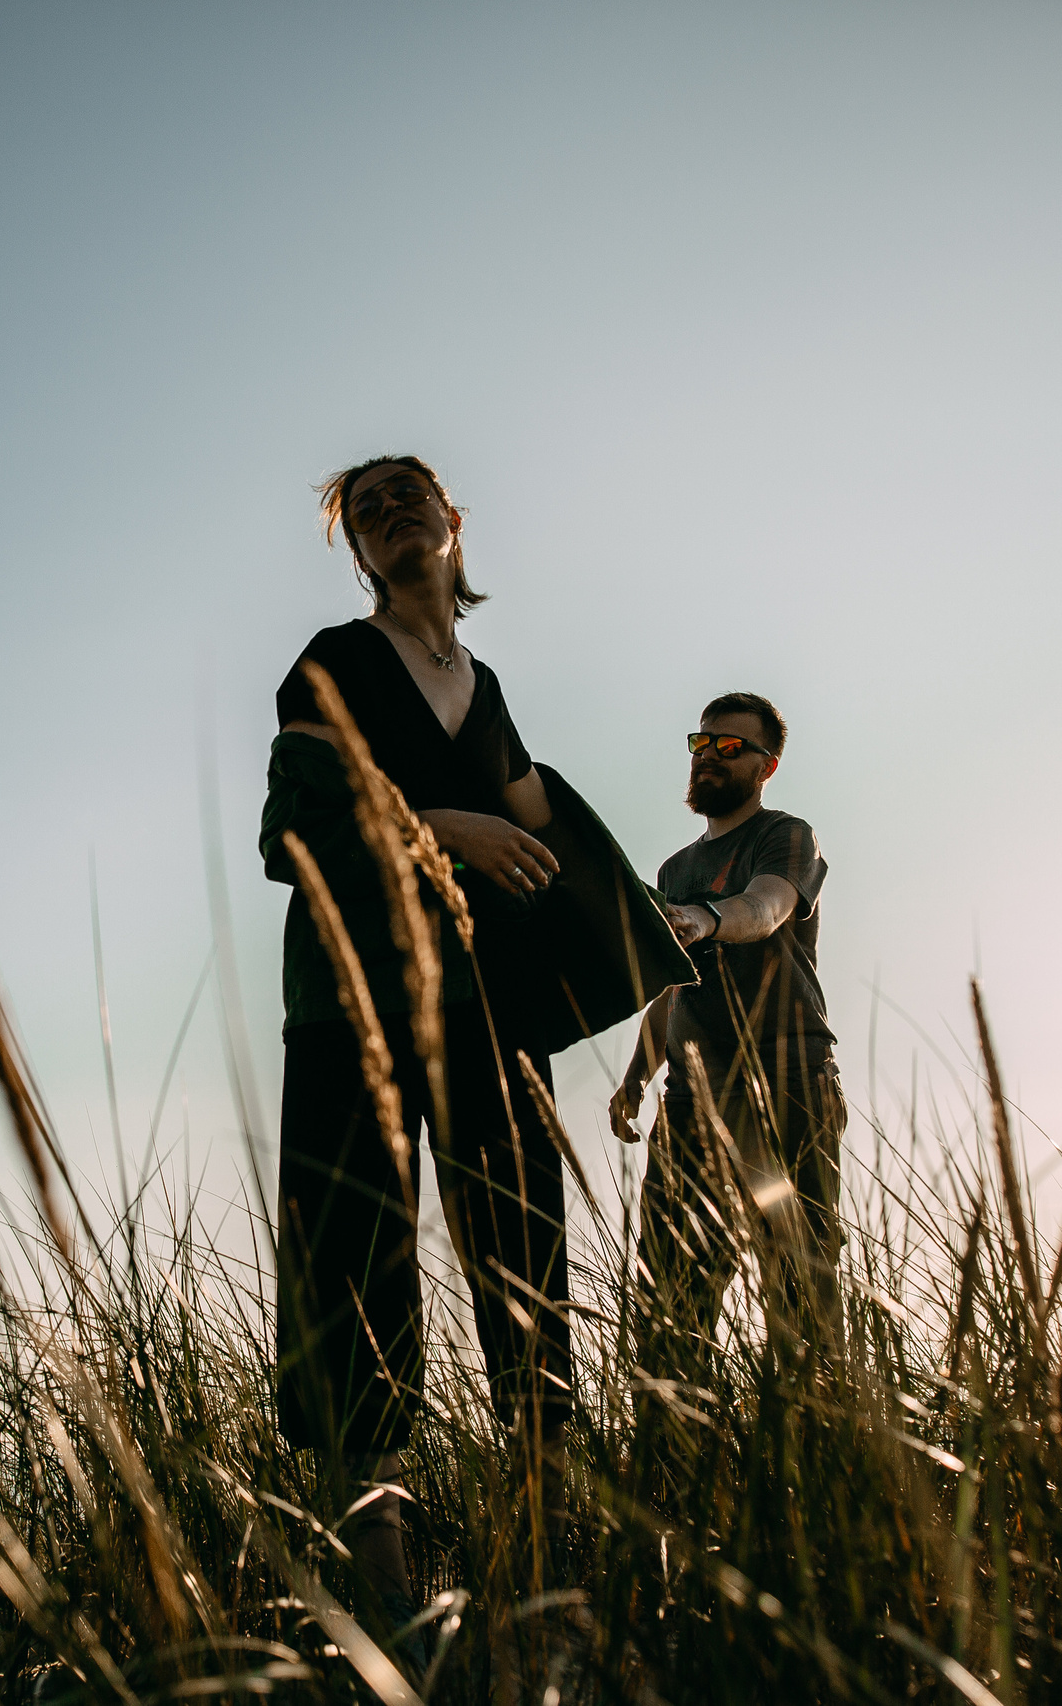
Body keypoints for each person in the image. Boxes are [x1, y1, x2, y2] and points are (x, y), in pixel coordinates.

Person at [262, 454, 686, 1629]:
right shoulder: (332, 661)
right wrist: (441, 826)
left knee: (523, 1244)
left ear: (452, 523)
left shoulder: (481, 681)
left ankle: (553, 1564)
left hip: (487, 997)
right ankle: (383, 1590)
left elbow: (535, 813)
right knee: (355, 1251)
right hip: (358, 995)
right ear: (357, 549)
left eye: (411, 494)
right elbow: (294, 815)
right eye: (367, 507)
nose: (392, 511)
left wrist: (653, 923)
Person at [610, 692, 845, 1360]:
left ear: (766, 766)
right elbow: (670, 988)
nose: (710, 753)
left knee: (800, 1286)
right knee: (671, 1299)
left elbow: (766, 907)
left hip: (788, 1081)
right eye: (702, 741)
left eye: (730, 746)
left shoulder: (786, 837)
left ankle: (816, 1447)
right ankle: (677, 1454)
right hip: (691, 1102)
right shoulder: (674, 872)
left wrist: (709, 919)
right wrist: (636, 1076)